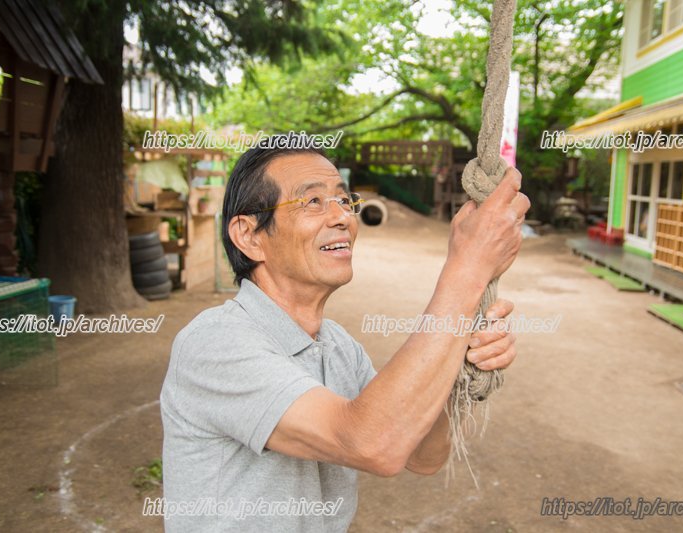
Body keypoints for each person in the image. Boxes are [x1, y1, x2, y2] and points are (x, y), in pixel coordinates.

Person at [160, 141, 530, 532]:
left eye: (343, 199)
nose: (341, 217)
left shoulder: (336, 346)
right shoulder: (215, 342)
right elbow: (372, 444)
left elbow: (422, 455)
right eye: (313, 202)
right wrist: (467, 269)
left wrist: (459, 368)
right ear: (249, 236)